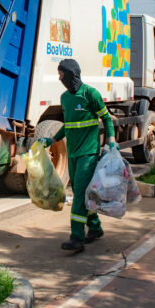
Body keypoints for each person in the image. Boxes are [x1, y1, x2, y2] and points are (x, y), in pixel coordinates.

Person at [40, 59, 116, 253]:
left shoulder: (90, 94)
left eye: (62, 75)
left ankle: (76, 237)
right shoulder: (65, 98)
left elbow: (106, 118)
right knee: (82, 192)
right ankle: (95, 227)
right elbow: (68, 125)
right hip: (73, 153)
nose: (60, 79)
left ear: (71, 75)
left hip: (88, 153)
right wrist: (52, 140)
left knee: (79, 194)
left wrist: (111, 140)